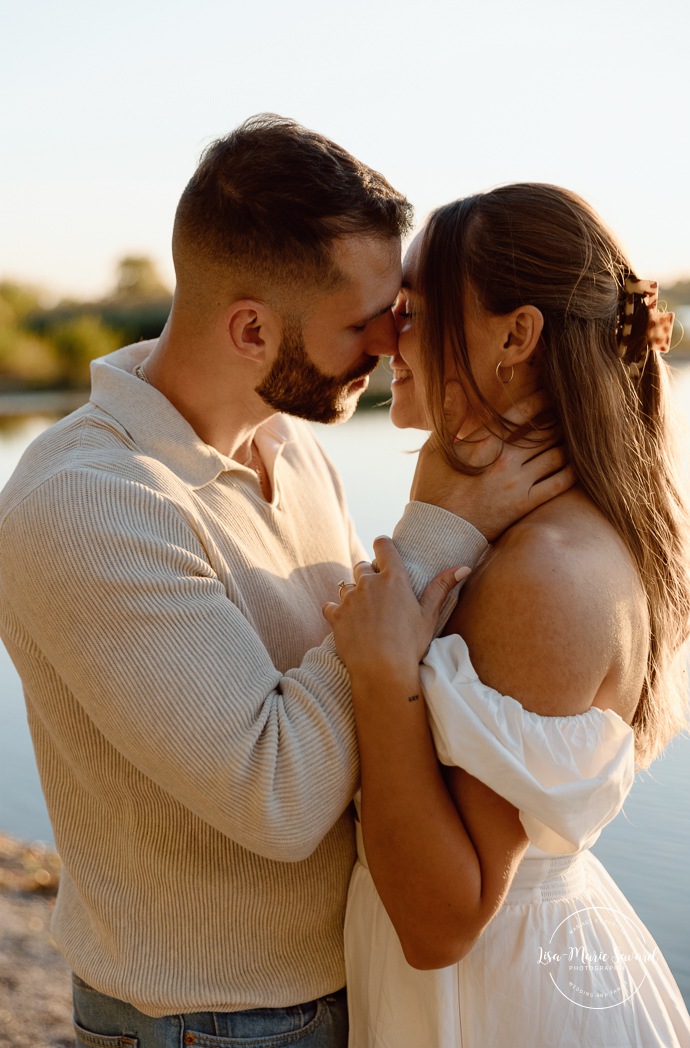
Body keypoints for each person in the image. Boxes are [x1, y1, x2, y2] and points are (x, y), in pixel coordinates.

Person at [0, 120, 569, 1047]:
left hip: (344, 981)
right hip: (210, 1022)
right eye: (364, 320)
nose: (395, 342)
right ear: (252, 327)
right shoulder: (83, 506)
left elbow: (376, 665)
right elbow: (283, 798)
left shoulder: (292, 444)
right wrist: (436, 528)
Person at [324, 184, 690, 1047]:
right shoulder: (530, 532)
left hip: (500, 1002)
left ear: (516, 335)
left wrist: (384, 680)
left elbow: (442, 925)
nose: (386, 334)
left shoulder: (546, 571)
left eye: (413, 310)